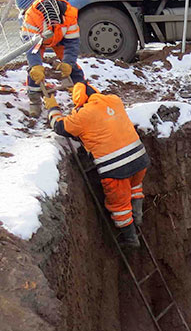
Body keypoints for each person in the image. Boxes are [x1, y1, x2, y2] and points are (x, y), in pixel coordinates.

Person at [44, 82, 149, 249]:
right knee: (134, 185)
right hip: (140, 159)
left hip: (116, 169)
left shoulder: (83, 116)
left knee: (119, 206)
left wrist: (52, 108)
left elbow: (59, 126)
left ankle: (131, 238)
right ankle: (137, 215)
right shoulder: (114, 100)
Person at [21, 0, 85, 116]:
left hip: (61, 38)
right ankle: (35, 102)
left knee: (72, 68)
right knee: (35, 72)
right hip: (37, 41)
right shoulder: (31, 18)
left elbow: (72, 43)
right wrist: (35, 65)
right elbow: (30, 47)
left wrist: (68, 62)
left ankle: (83, 94)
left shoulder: (70, 16)